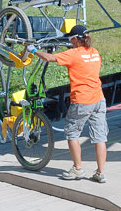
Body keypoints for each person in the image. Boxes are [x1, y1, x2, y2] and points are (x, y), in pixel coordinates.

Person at [26, 25, 108, 183]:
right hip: (99, 99)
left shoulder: (73, 54)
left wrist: (33, 50)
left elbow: (50, 58)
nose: (70, 42)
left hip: (82, 101)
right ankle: (100, 172)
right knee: (100, 137)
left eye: (71, 39)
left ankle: (77, 169)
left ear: (76, 39)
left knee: (72, 134)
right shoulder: (95, 52)